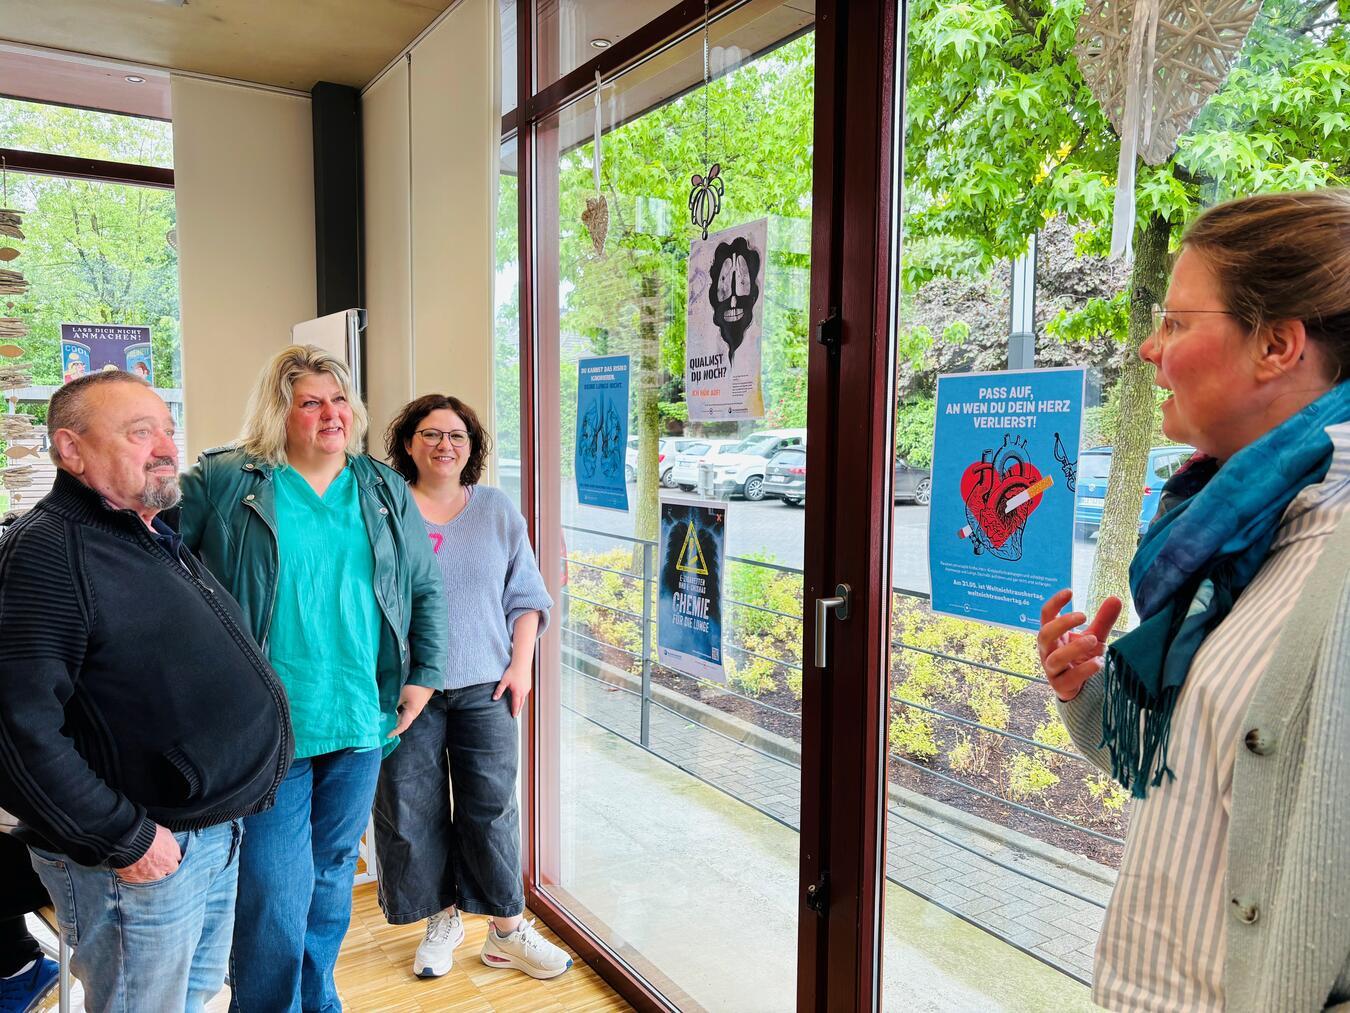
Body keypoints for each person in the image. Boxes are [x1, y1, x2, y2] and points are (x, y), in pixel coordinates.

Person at [1037, 190, 1350, 1011]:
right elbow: (1194, 777)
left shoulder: (1331, 555)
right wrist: (1087, 693)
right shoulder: (1239, 531)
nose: (1149, 347)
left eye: (1176, 322)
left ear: (1277, 344)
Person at [0, 371, 292, 1013]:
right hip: (141, 856)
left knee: (190, 998)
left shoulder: (147, 530)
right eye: (139, 432)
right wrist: (123, 837)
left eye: (166, 428)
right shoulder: (49, 552)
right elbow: (15, 730)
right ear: (70, 450)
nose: (165, 446)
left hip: (208, 834)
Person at [179, 345, 448, 1012]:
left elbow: (424, 585)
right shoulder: (226, 480)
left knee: (331, 874)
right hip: (267, 724)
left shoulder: (382, 487)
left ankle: (313, 993)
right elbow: (151, 563)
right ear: (281, 411)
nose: (331, 413)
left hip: (360, 712)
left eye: (338, 400)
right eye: (311, 401)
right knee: (273, 884)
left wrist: (425, 674)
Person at [371, 394, 570, 981]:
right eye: (431, 435)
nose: (444, 446)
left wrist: (522, 665)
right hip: (409, 690)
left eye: (457, 436)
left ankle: (506, 930)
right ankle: (442, 917)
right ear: (408, 444)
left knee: (491, 807)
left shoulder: (496, 510)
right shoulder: (385, 510)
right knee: (411, 808)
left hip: (486, 685)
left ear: (472, 448)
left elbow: (526, 594)